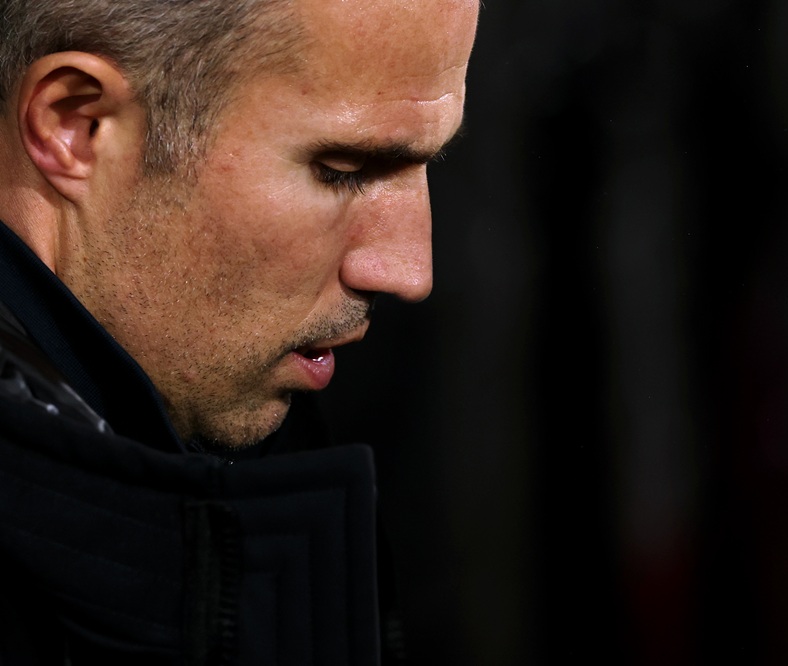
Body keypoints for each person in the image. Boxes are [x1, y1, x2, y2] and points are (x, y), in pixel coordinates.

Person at [0, 0, 479, 663]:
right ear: (75, 126)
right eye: (340, 170)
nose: (408, 271)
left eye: (431, 165)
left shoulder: (263, 437)